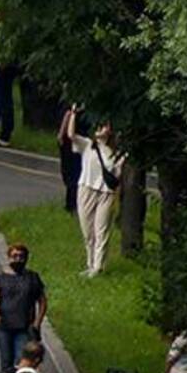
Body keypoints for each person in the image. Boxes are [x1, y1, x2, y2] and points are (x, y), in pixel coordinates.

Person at [60, 106, 123, 277]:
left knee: (101, 230)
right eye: (98, 126)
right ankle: (90, 263)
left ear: (110, 130)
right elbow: (70, 135)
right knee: (88, 230)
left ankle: (98, 267)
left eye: (104, 126)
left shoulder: (117, 152)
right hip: (86, 188)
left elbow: (118, 175)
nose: (100, 129)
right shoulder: (87, 145)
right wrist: (73, 114)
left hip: (106, 193)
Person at [0, 243, 46, 372]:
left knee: (21, 361)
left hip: (24, 327)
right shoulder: (2, 278)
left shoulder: (32, 278)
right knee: (6, 361)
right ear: (9, 258)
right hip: (4, 326)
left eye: (21, 256)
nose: (18, 259)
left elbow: (42, 301)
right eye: (14, 256)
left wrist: (37, 322)